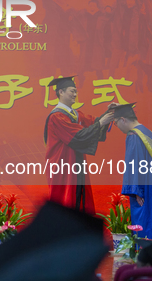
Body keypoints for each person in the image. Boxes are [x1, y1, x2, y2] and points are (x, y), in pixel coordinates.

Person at [43, 76, 114, 213]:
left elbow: (94, 123)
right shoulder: (57, 116)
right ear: (61, 92)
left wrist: (110, 113)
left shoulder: (75, 114)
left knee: (79, 200)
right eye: (72, 91)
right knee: (65, 203)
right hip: (62, 166)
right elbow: (78, 137)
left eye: (76, 91)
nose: (75, 94)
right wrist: (101, 123)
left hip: (75, 164)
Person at [113, 103, 152, 239]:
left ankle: (148, 256)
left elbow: (133, 164)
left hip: (148, 185)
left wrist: (136, 190)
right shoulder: (147, 132)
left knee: (147, 221)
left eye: (116, 123)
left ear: (123, 119)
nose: (117, 127)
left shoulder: (133, 135)